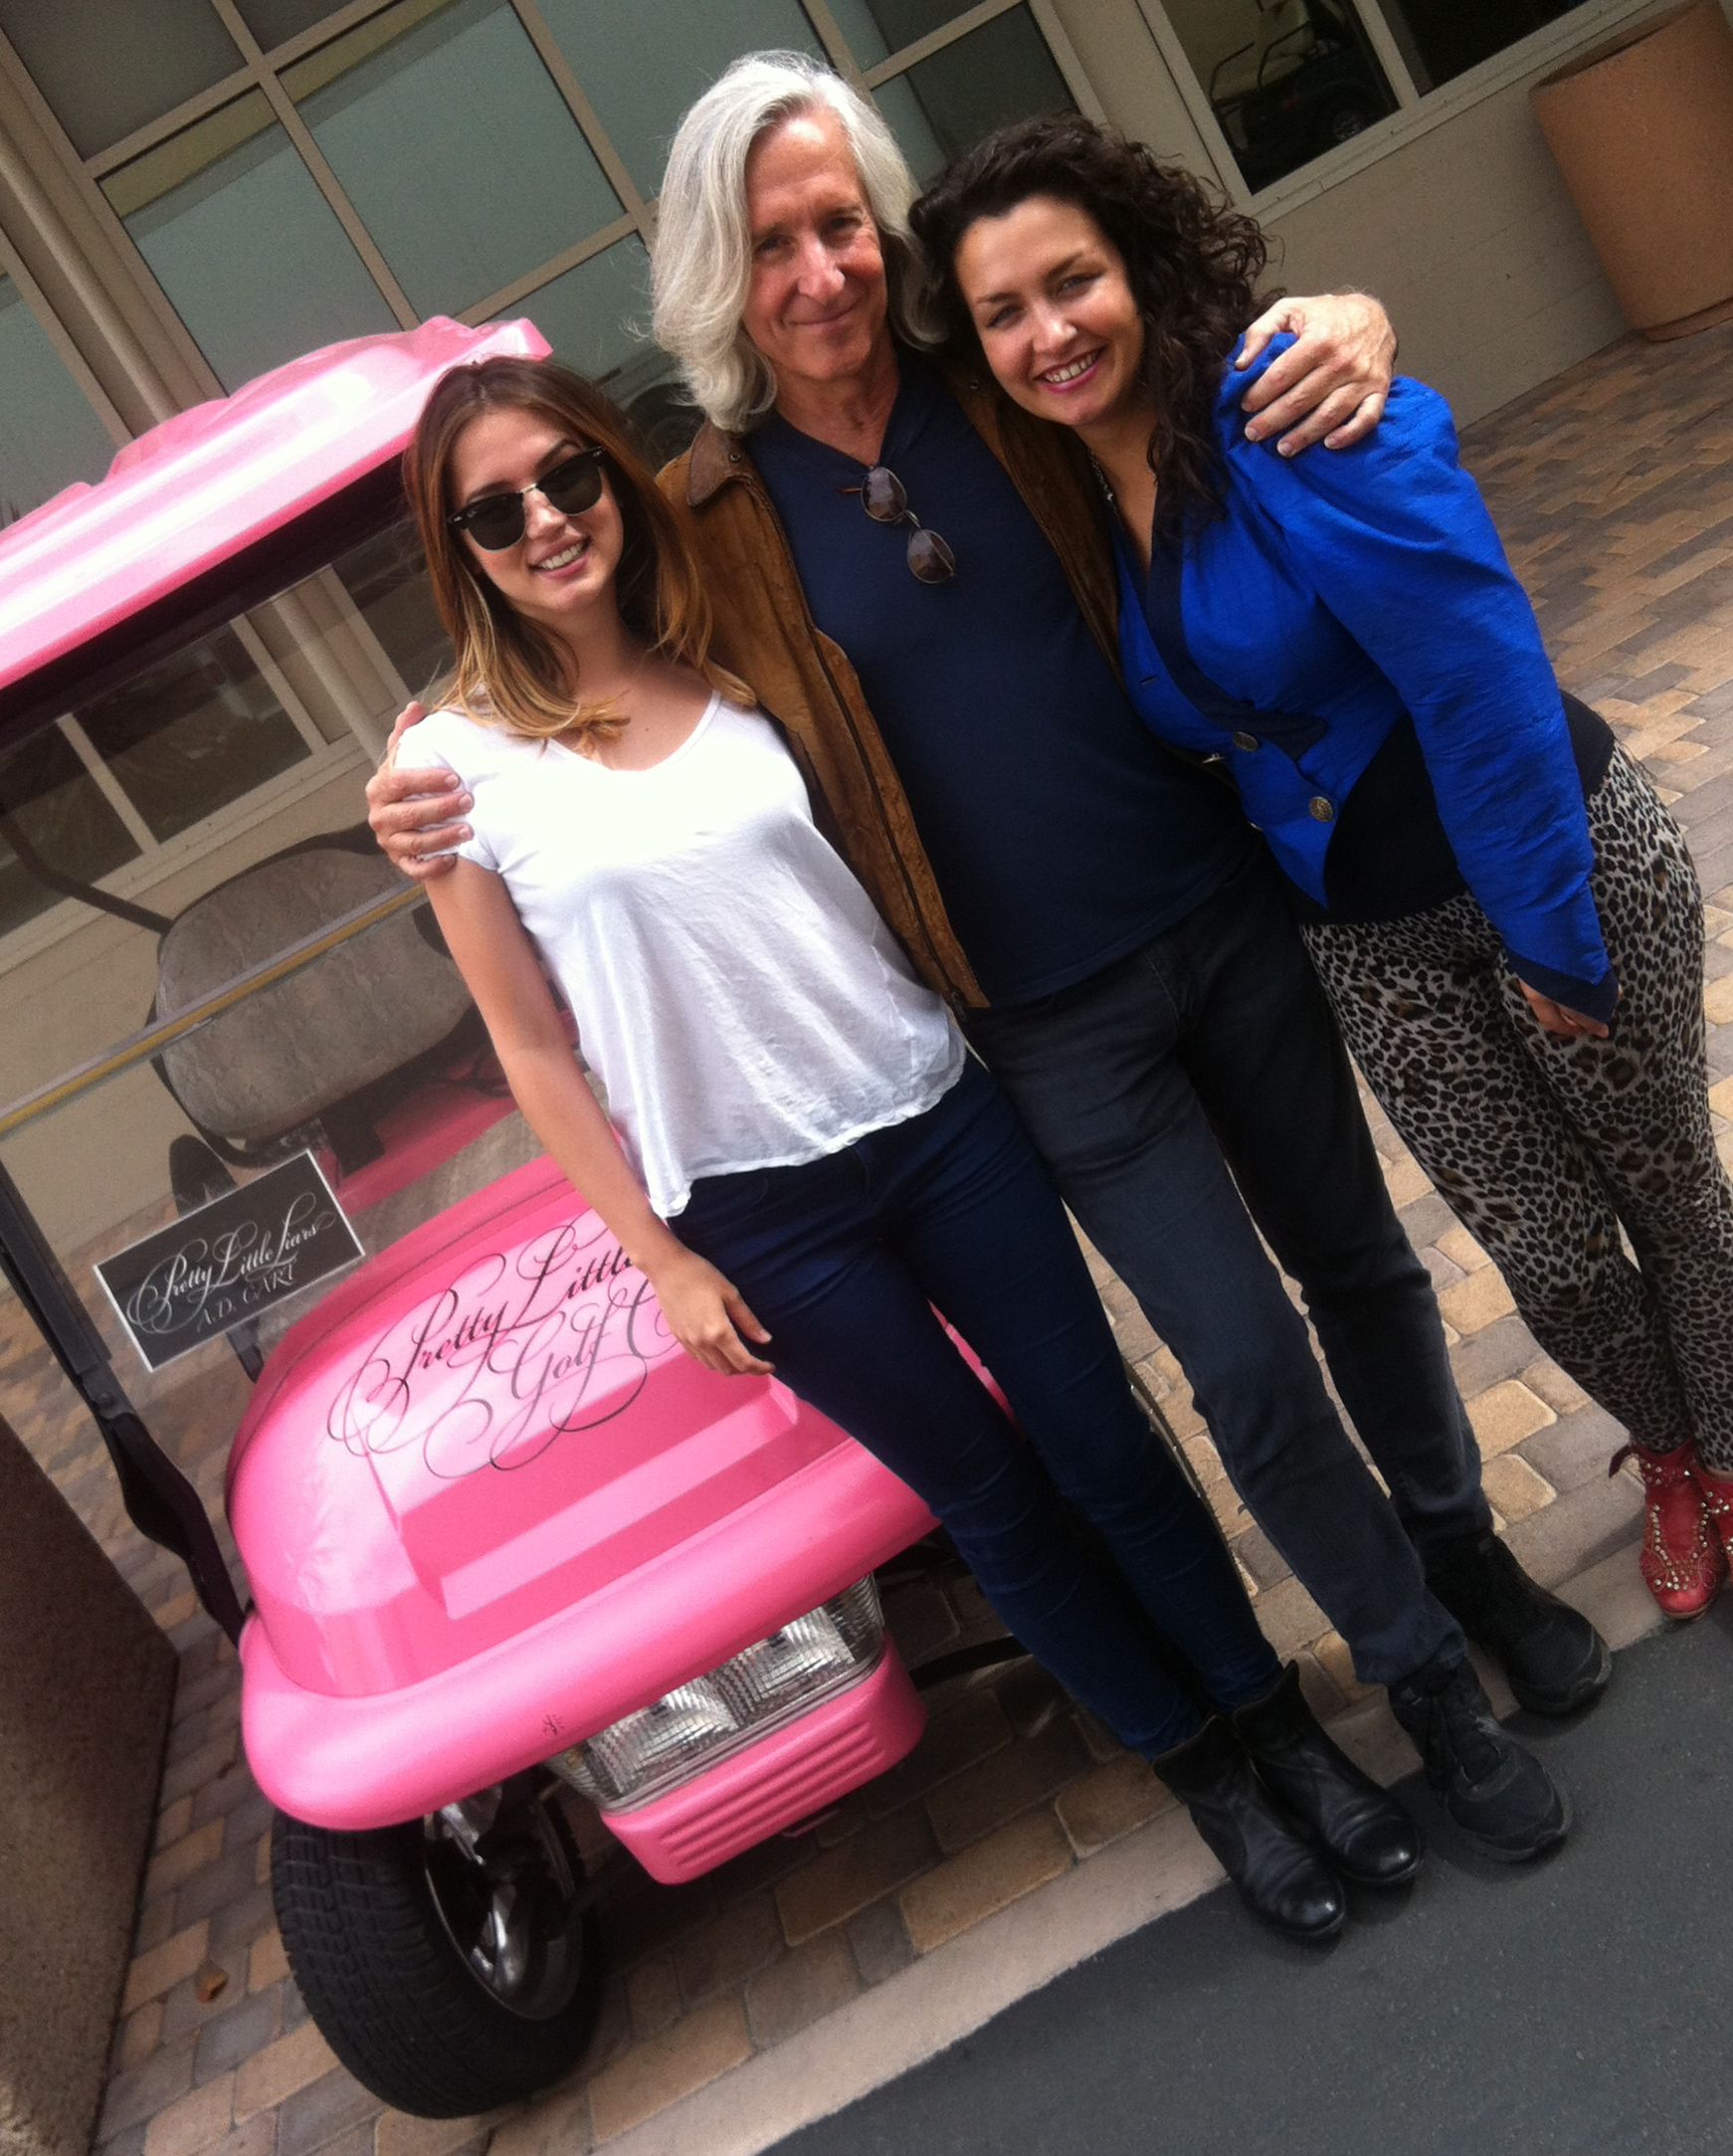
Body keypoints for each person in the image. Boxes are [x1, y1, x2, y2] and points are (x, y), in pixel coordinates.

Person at [367, 53, 1586, 1863]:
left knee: (1359, 1266)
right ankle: (1411, 1672)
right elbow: (567, 653)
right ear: (722, 272)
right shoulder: (711, 523)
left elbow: (1218, 367)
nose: (818, 272)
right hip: (1041, 1025)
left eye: (841, 223)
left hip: (1221, 917)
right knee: (1237, 1362)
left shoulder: (1012, 393)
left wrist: (1351, 308)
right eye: (771, 242)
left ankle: (1457, 1548)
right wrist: (414, 755)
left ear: (883, 230)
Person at [389, 349, 1427, 1941]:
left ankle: (1273, 1724)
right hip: (756, 1211)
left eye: (568, 476)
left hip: (936, 1114)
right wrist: (659, 1258)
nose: (545, 520)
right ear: (456, 550)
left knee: (1109, 1454)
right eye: (493, 510)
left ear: (616, 473)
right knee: (994, 1505)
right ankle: (1203, 1778)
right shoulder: (450, 766)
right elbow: (531, 1050)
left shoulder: (725, 645)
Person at [911, 110, 1733, 1627]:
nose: (1047, 331)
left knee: (1664, 1195)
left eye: (1068, 279)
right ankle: (1672, 1447)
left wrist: (1549, 938)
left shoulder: (1290, 406)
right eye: (1001, 313)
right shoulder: (1074, 504)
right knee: (1544, 1254)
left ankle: (1730, 1449)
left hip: (1547, 872)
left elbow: (1480, 676)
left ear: (1137, 267)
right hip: (1369, 938)